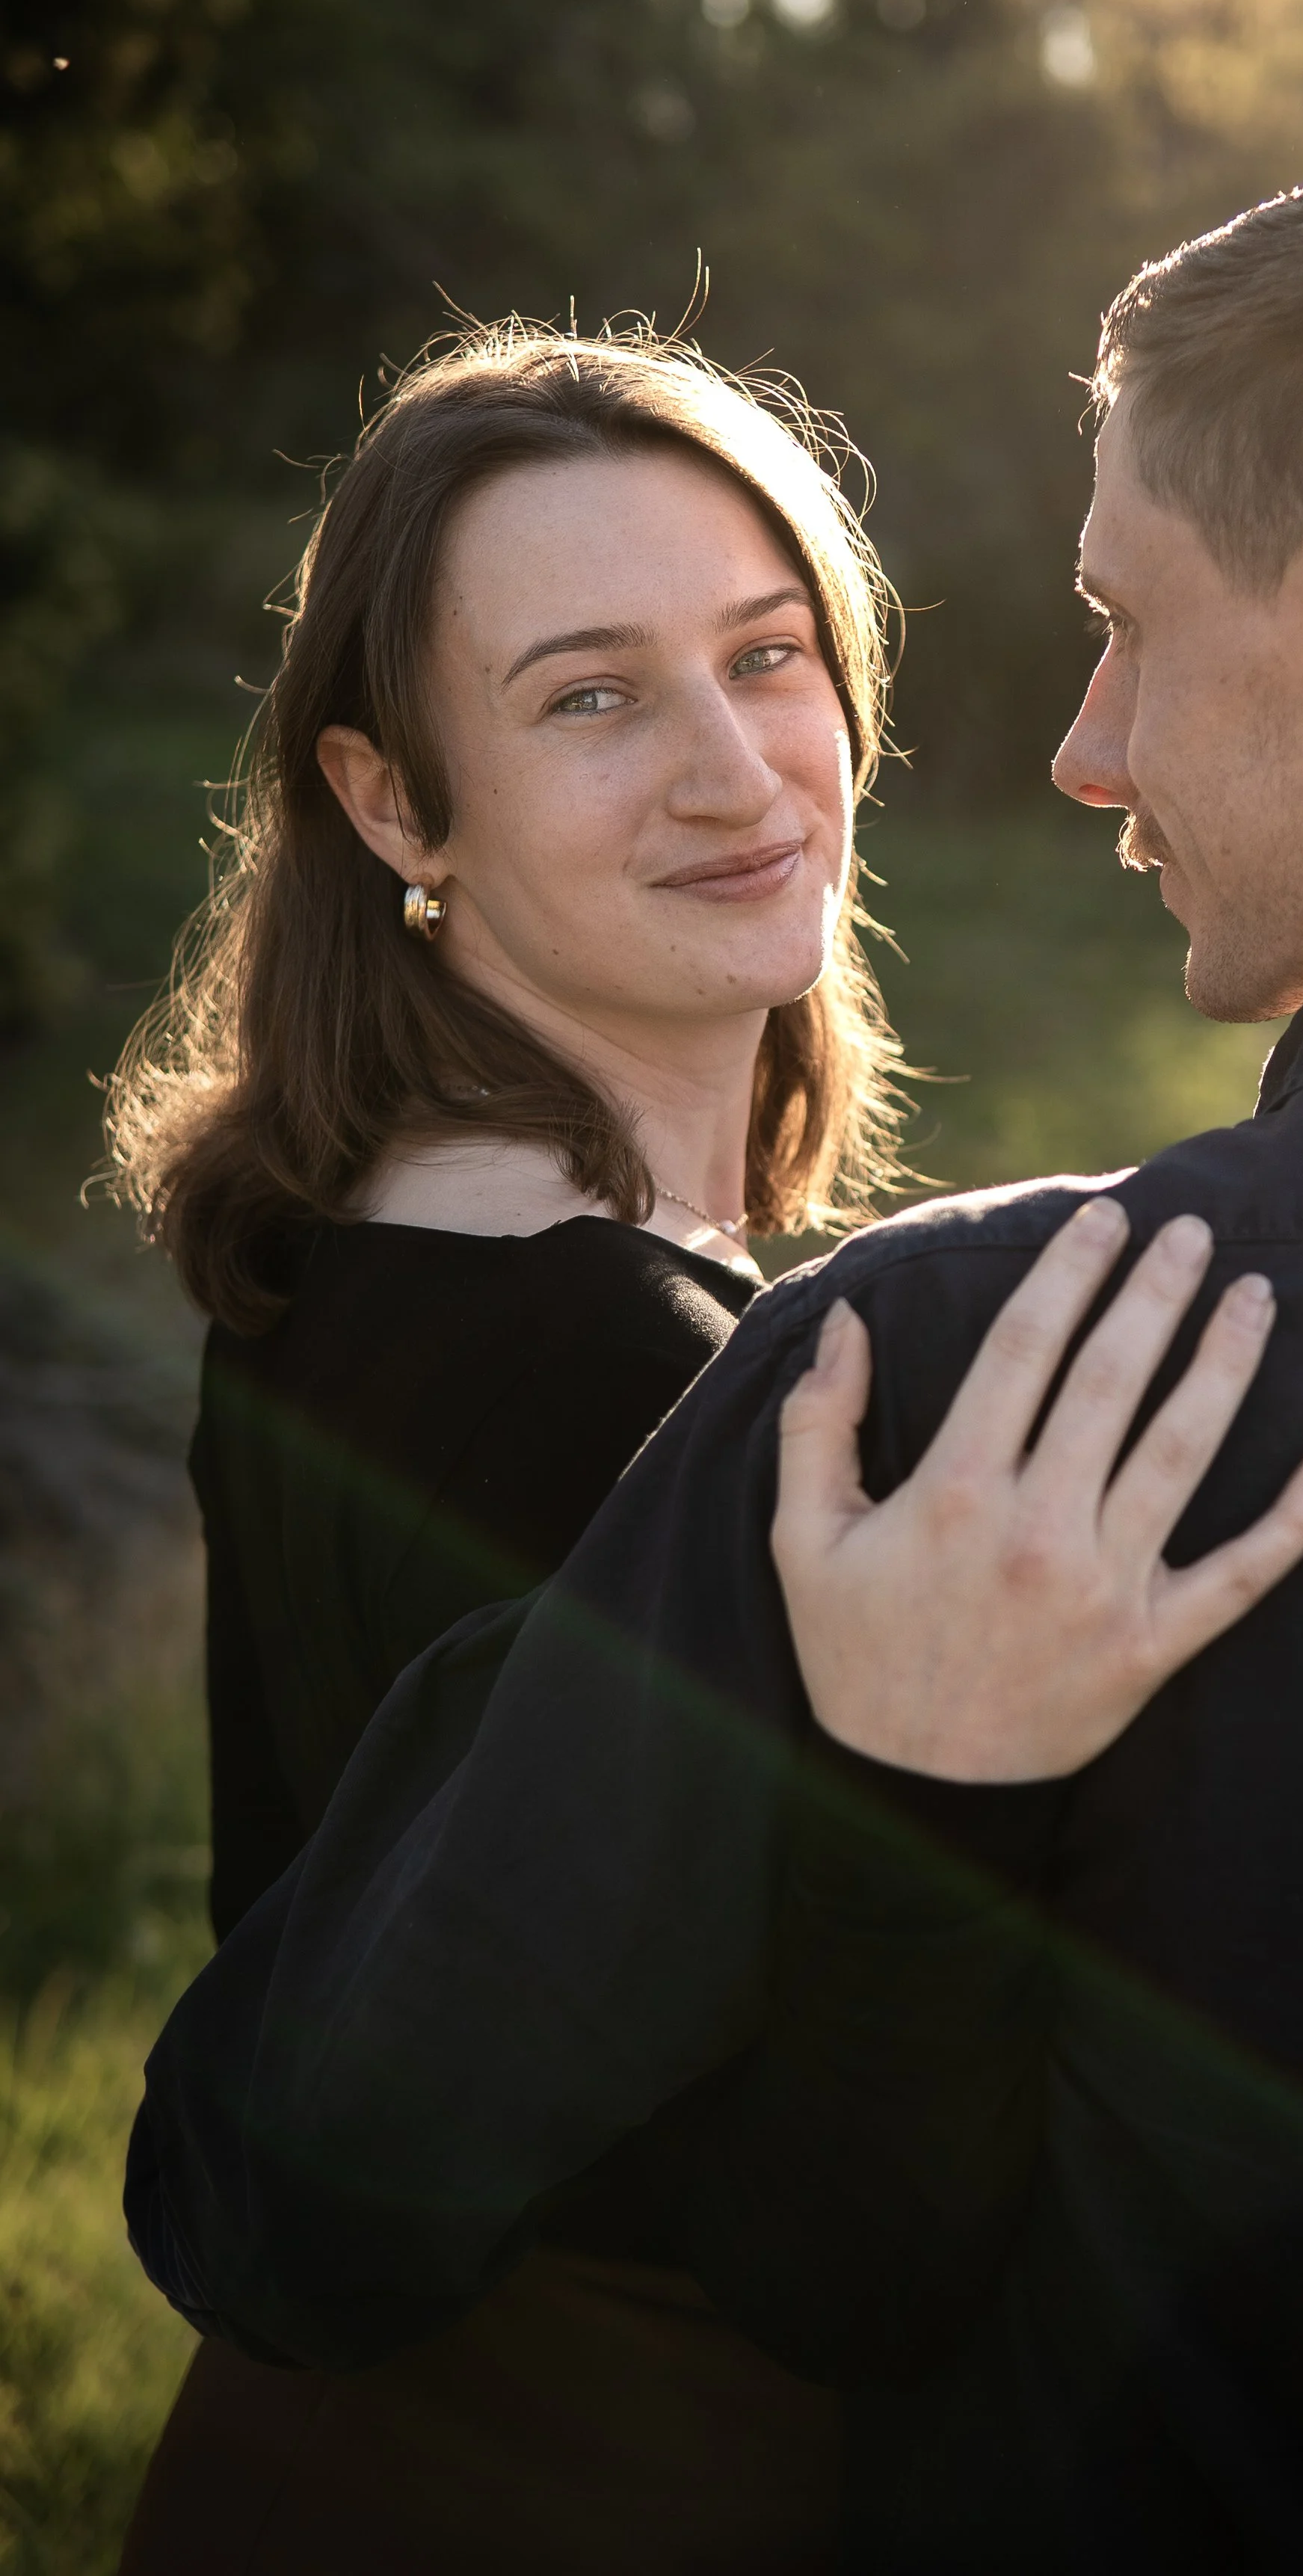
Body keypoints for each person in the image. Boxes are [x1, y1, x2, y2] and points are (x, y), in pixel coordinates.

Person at [129, 123, 1303, 2570]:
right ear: (386, 796)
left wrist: (898, 1805)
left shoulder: (956, 1378)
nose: (1080, 743)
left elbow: (282, 2182)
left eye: (1128, 619)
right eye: (598, 696)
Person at [106, 321, 902, 2572]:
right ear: (390, 801)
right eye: (589, 695)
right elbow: (826, 2188)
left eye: (767, 657)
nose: (739, 768)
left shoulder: (362, 1244)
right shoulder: (596, 1351)